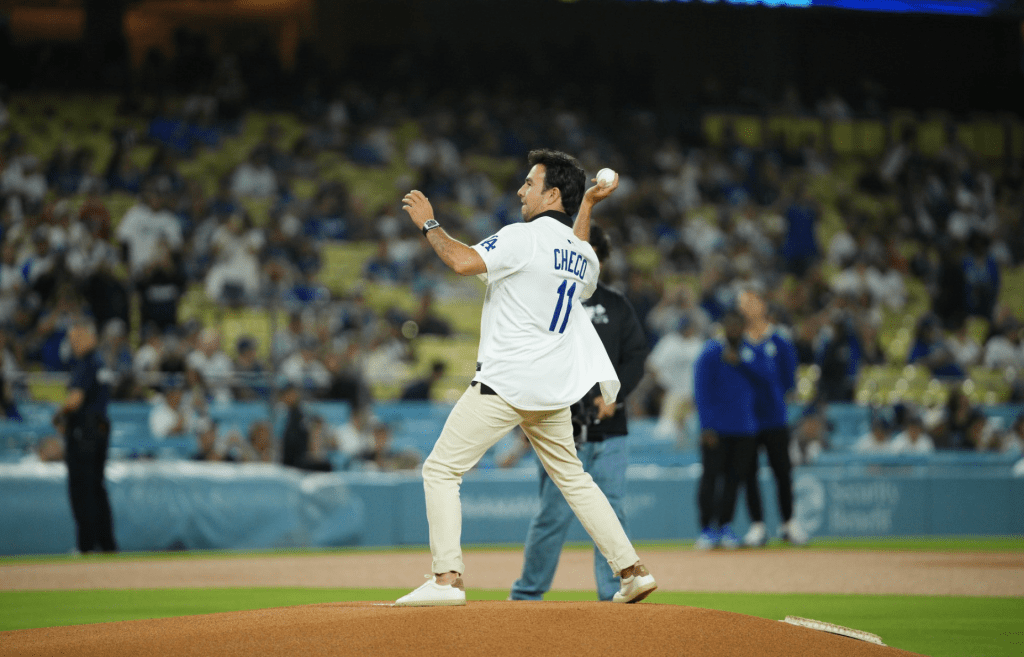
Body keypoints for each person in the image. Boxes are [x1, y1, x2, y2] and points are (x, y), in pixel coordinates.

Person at [394, 149, 656, 607]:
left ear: (551, 194)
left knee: (440, 470)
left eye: (529, 183)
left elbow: (461, 261)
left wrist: (429, 223)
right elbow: (571, 249)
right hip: (552, 391)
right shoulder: (586, 257)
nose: (520, 190)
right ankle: (632, 571)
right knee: (574, 480)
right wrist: (589, 205)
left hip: (507, 382)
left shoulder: (521, 237)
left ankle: (447, 578)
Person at [509, 224, 649, 602]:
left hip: (611, 429)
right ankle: (526, 594)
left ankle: (612, 592)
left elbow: (636, 357)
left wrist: (615, 397)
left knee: (612, 512)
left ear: (599, 260)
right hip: (562, 428)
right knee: (551, 517)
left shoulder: (617, 305)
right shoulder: (552, 299)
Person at [737, 286, 806, 548]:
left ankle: (789, 522)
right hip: (746, 421)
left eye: (750, 302)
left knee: (782, 472)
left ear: (762, 305)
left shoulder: (780, 341)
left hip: (775, 418)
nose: (745, 308)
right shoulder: (736, 341)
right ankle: (757, 525)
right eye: (742, 304)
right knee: (749, 473)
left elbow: (790, 380)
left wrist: (773, 396)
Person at [693, 309, 763, 550]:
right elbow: (701, 392)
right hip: (717, 429)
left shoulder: (750, 352)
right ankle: (706, 529)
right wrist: (706, 426)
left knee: (734, 480)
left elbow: (765, 379)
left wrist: (741, 362)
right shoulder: (711, 353)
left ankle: (725, 526)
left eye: (738, 326)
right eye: (730, 326)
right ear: (724, 327)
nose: (734, 331)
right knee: (711, 478)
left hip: (744, 428)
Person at [54, 318, 117, 554]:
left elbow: (75, 400)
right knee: (97, 488)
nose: (74, 344)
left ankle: (86, 546)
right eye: (71, 340)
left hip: (84, 432)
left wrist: (58, 415)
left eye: (77, 338)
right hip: (101, 428)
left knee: (83, 489)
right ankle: (106, 544)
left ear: (90, 336)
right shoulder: (101, 362)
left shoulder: (87, 362)